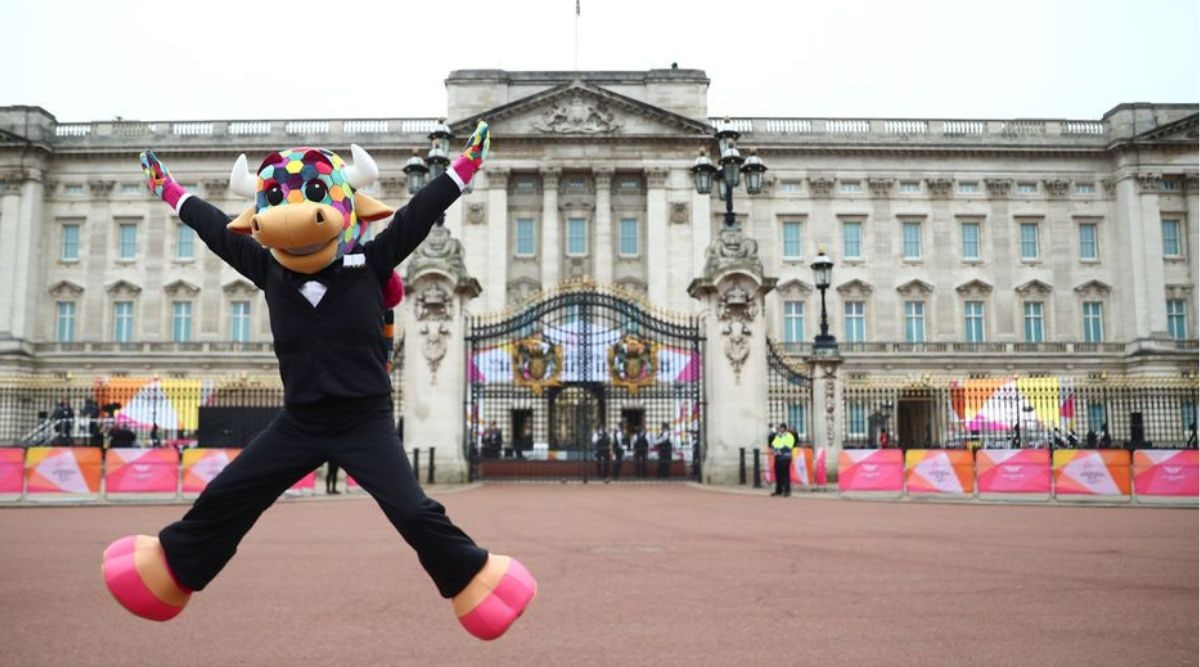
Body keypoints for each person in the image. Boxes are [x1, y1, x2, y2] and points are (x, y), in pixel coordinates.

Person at [102, 123, 535, 641]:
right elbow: (213, 228)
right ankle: (170, 570)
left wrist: (464, 168)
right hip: (300, 421)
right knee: (227, 496)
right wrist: (171, 190)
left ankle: (475, 578)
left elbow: (417, 218)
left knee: (414, 511)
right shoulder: (267, 268)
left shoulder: (368, 263)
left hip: (363, 420)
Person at [770, 422, 797, 497]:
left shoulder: (789, 436)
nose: (780, 429)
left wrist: (779, 451)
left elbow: (788, 446)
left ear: (785, 428)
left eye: (781, 428)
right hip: (778, 457)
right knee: (778, 474)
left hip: (785, 457)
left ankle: (787, 491)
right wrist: (774, 450)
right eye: (779, 428)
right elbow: (773, 444)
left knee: (785, 474)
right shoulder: (778, 436)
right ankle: (779, 490)